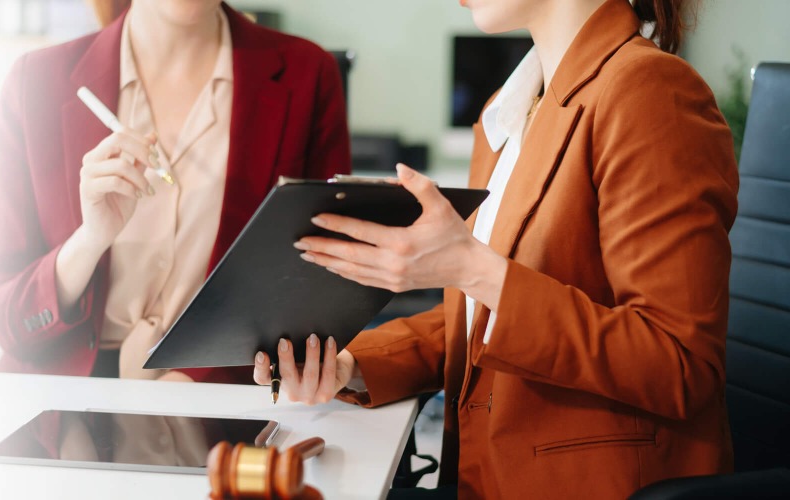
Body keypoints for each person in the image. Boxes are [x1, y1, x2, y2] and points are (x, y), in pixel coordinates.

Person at [258, 0, 736, 497]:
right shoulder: (507, 112)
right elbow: (484, 317)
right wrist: (350, 367)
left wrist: (473, 268)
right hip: (482, 474)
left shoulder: (650, 91)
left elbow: (680, 363)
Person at [0, 0, 351, 384]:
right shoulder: (35, 81)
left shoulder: (308, 73)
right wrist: (89, 241)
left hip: (220, 404)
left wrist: (202, 376)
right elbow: (5, 317)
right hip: (59, 403)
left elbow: (319, 294)